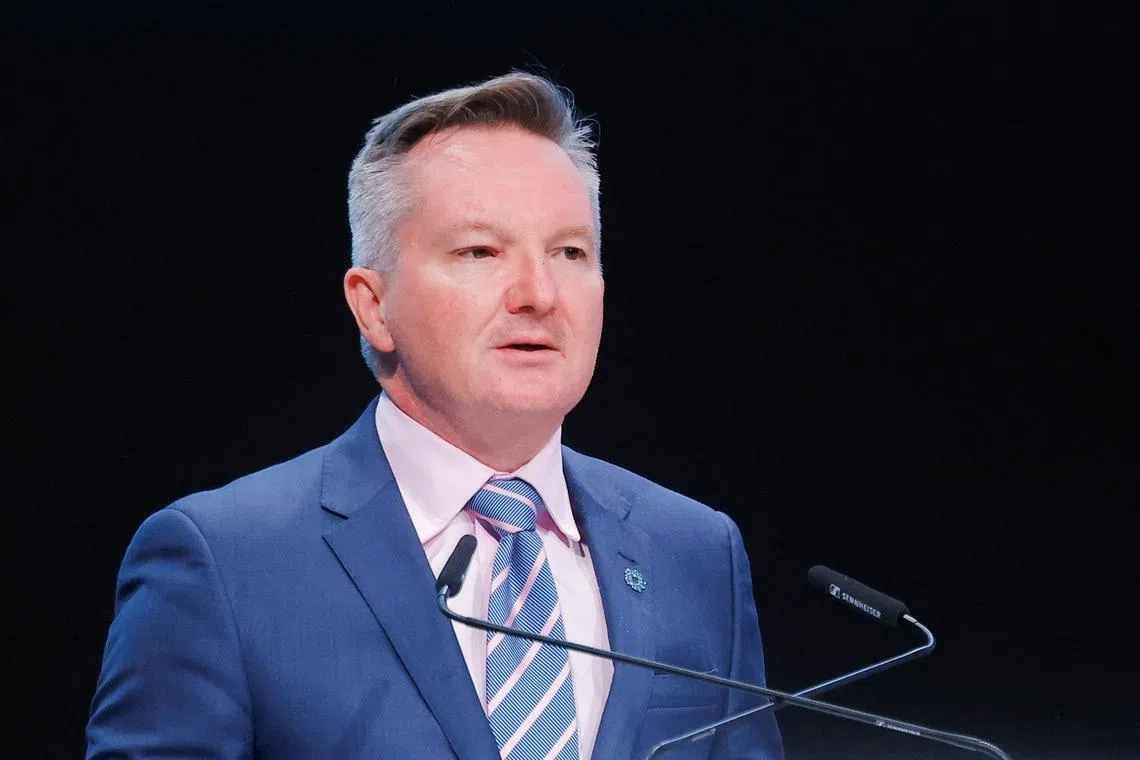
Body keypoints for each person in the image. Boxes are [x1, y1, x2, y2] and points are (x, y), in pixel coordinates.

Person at [87, 72, 785, 760]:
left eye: (569, 252)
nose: (539, 293)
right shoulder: (225, 563)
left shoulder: (695, 554)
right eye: (480, 251)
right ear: (373, 305)